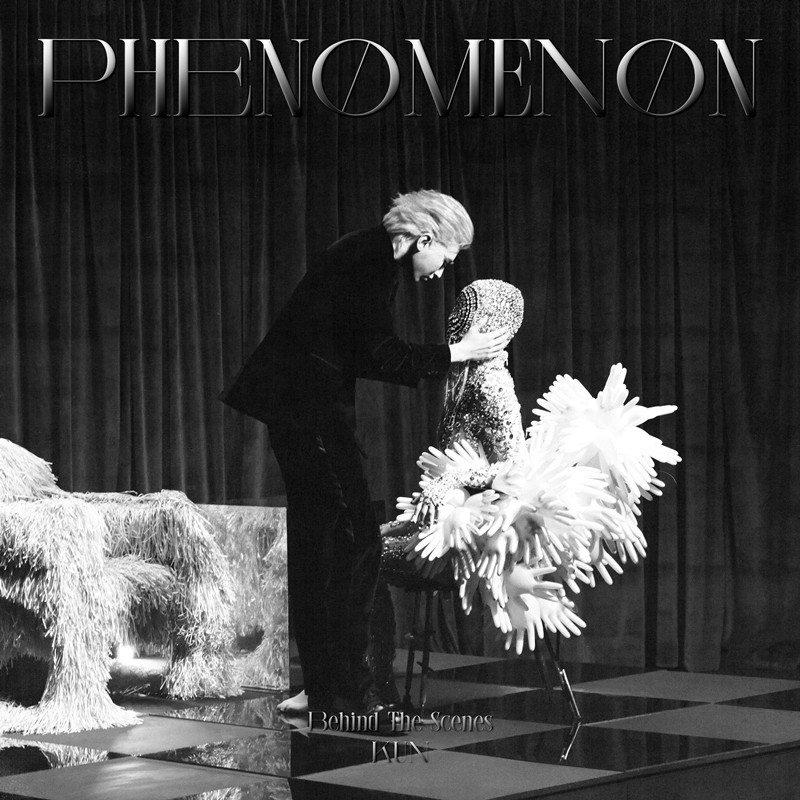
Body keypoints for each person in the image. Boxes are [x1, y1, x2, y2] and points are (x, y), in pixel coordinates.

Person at [220, 190, 508, 716]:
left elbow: (359, 349)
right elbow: (380, 354)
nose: (442, 273)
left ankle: (325, 687)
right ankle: (349, 692)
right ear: (424, 239)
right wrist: (455, 353)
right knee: (354, 547)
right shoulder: (368, 262)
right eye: (446, 259)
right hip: (310, 416)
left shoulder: (363, 255)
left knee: (323, 549)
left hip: (305, 415)